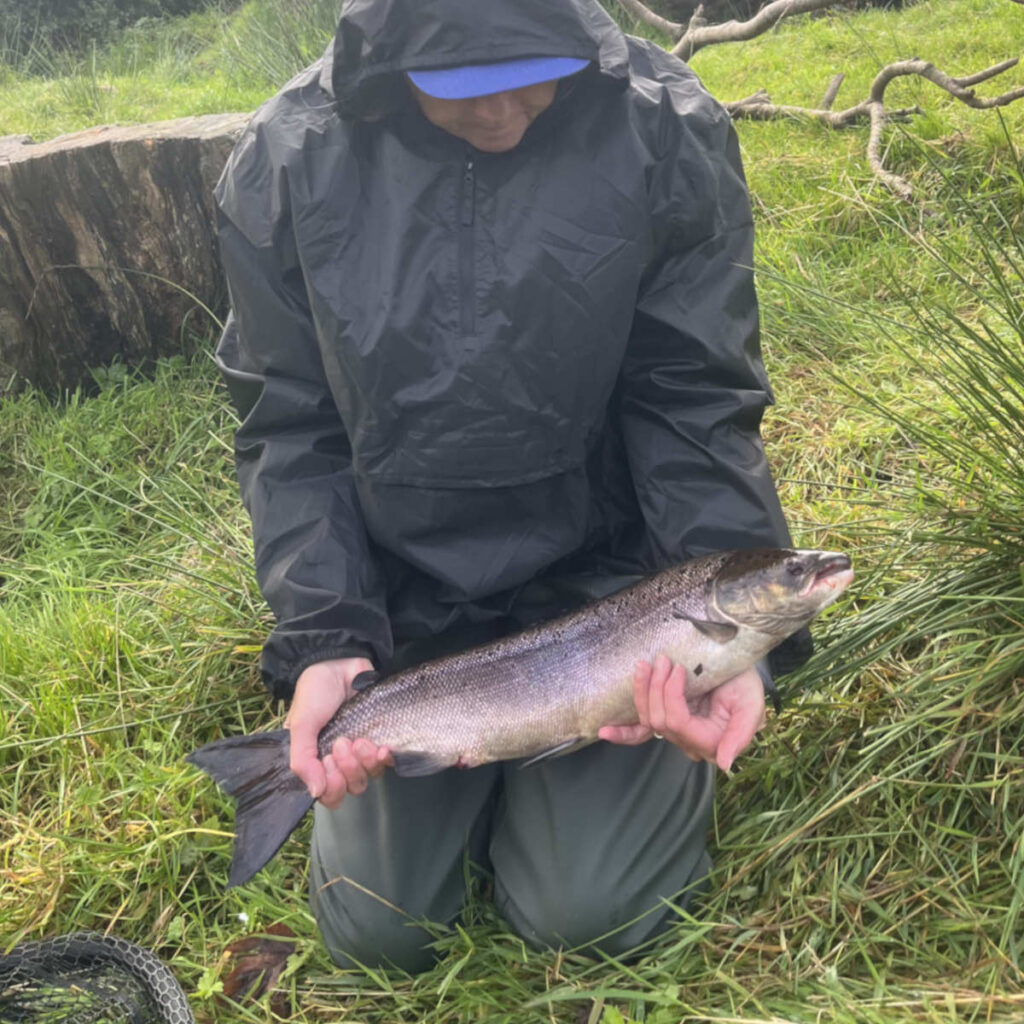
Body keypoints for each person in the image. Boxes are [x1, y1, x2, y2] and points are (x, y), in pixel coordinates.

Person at [213, 0, 808, 973]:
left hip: (607, 603)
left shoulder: (663, 127)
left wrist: (733, 637)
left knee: (592, 915)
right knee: (377, 929)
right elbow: (288, 424)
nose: (507, 114)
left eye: (539, 76)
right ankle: (461, 777)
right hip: (404, 622)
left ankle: (566, 790)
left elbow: (690, 397)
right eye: (466, 92)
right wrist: (327, 634)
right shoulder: (287, 159)